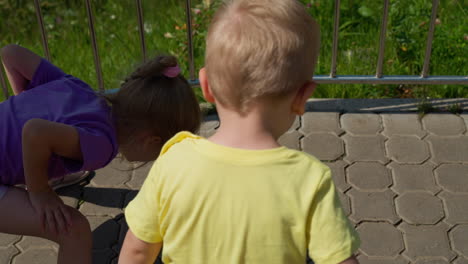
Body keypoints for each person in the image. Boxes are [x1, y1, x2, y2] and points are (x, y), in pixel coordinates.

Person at [120, 0, 361, 263]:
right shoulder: (310, 180)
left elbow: (137, 249)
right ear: (302, 97)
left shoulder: (172, 162)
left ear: (206, 86)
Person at [0, 44, 201, 264]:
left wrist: (26, 108)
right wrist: (40, 193)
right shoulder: (103, 144)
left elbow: (11, 54)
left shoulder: (78, 88)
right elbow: (34, 133)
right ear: (149, 141)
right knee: (74, 230)